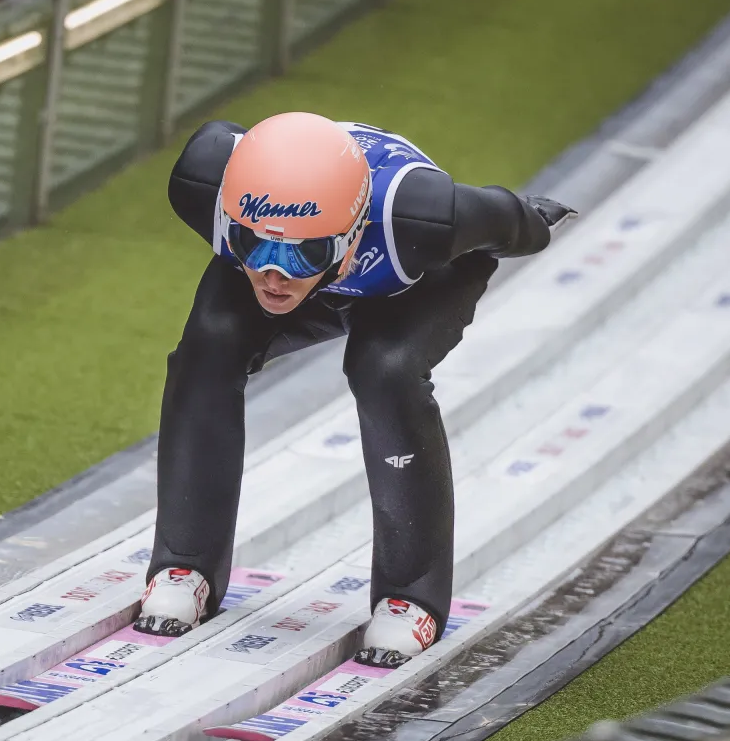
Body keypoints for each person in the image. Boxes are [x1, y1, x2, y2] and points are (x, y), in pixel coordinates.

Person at [132, 112, 576, 668]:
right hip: (327, 249)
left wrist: (534, 220)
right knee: (207, 348)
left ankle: (410, 595)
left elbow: (510, 222)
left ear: (348, 235)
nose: (273, 274)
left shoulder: (421, 219)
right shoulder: (204, 185)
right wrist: (284, 252)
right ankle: (185, 562)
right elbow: (270, 241)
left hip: (409, 276)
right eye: (253, 245)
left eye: (301, 254)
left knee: (383, 368)